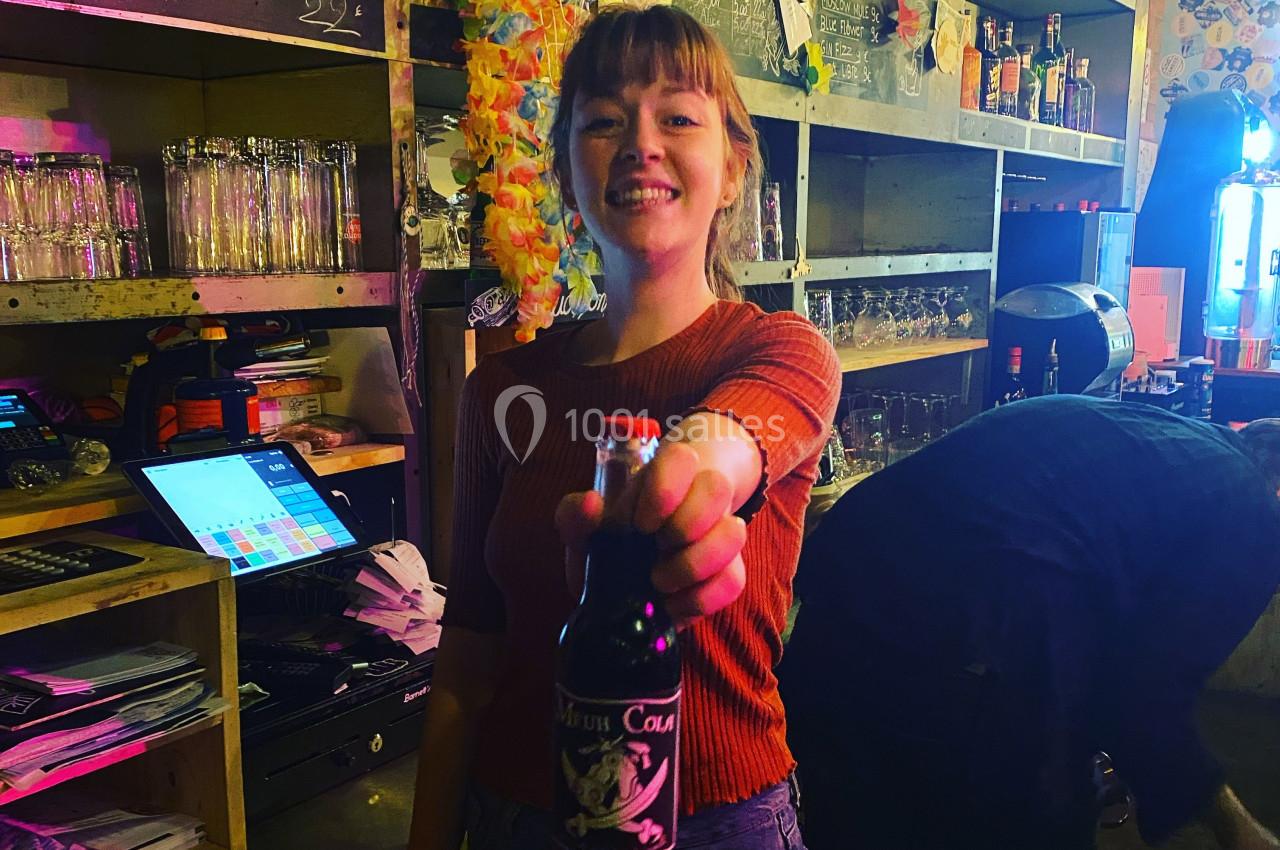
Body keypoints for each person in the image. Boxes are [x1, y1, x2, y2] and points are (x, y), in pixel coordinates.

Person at [407, 6, 840, 849]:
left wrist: (676, 494)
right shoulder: (503, 387)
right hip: (516, 816)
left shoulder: (779, 350)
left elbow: (726, 447)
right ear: (568, 174)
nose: (642, 143)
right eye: (604, 121)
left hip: (720, 823)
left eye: (678, 117)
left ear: (734, 165)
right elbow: (467, 663)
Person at [780, 394, 1280, 850]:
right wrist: (1238, 831)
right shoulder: (1251, 515)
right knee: (1038, 816)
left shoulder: (1171, 444)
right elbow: (1144, 702)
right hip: (952, 649)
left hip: (836, 596)